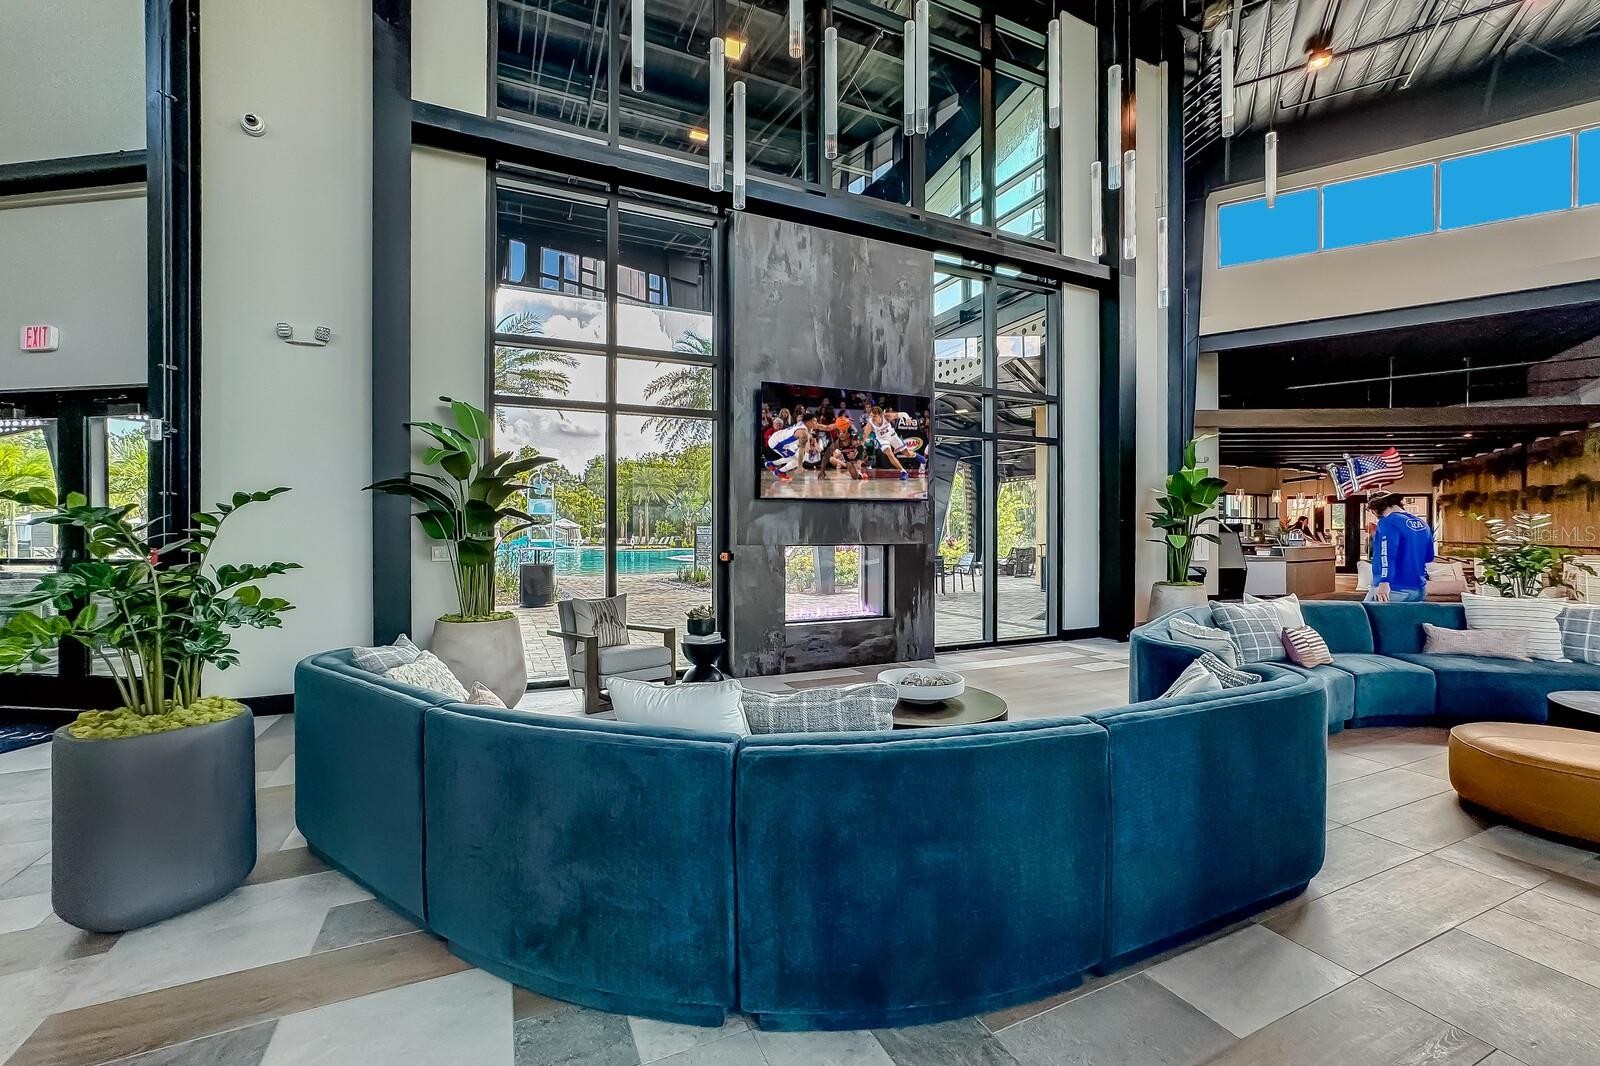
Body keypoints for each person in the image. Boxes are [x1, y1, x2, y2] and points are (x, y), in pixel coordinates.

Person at [1366, 493, 1434, 603]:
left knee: (1360, 612)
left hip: (1393, 588)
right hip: (1419, 590)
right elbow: (1429, 557)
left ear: (1379, 507)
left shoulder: (1387, 522)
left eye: (1373, 510)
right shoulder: (1423, 524)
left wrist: (1384, 581)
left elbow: (1387, 553)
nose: (1374, 514)